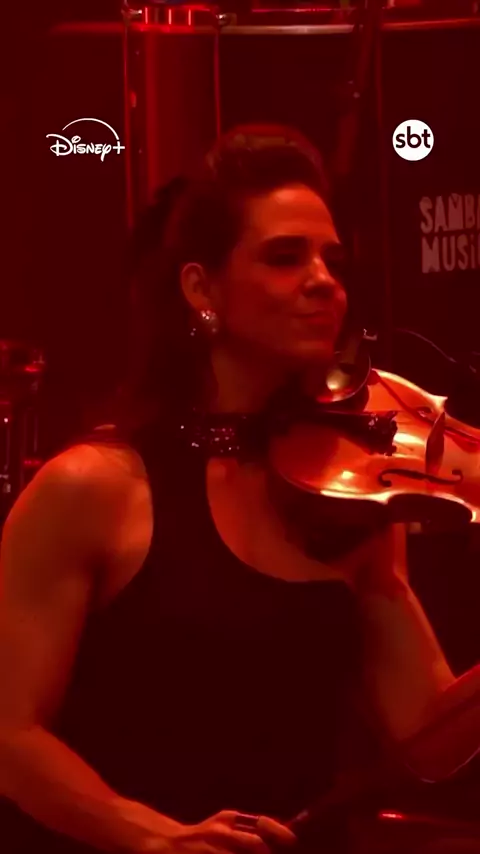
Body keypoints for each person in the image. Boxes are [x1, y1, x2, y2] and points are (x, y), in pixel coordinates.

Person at [0, 124, 479, 854]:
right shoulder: (94, 487)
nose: (324, 281)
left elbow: (428, 737)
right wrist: (159, 838)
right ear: (202, 288)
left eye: (332, 260)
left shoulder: (352, 491)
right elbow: (10, 733)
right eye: (286, 257)